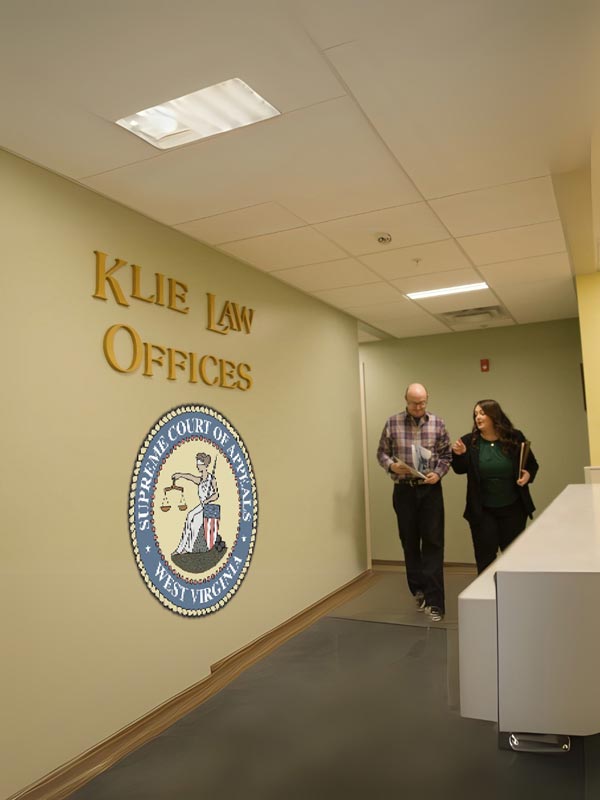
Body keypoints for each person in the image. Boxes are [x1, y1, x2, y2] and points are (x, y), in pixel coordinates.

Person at [377, 383, 451, 621]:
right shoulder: (392, 423)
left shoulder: (437, 423)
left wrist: (438, 473)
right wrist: (391, 465)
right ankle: (418, 590)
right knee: (409, 542)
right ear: (406, 401)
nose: (419, 407)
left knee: (433, 543)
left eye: (423, 402)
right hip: (404, 490)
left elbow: (446, 456)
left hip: (430, 490)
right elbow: (382, 453)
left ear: (427, 399)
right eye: (414, 403)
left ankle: (436, 601)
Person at [451, 399, 538, 574]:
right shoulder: (470, 441)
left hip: (513, 509)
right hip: (483, 511)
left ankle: (513, 595)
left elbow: (532, 464)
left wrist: (527, 475)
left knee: (513, 557)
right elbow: (459, 469)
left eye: (482, 413)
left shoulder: (515, 437)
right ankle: (488, 597)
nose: (478, 417)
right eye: (475, 414)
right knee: (485, 560)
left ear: (494, 415)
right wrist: (459, 455)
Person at [172, 452, 220, 555]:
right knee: (189, 516)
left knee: (196, 522)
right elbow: (189, 476)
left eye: (199, 465)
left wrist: (208, 500)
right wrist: (180, 475)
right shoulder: (200, 479)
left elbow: (216, 495)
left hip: (208, 506)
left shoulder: (212, 479)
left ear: (205, 465)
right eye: (197, 464)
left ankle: (189, 549)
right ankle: (180, 548)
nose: (197, 467)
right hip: (202, 505)